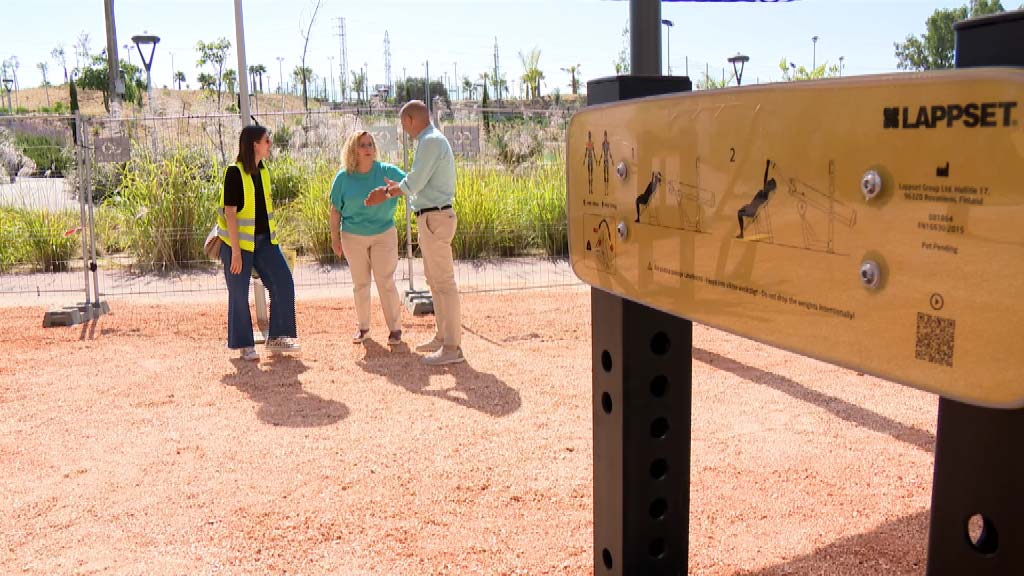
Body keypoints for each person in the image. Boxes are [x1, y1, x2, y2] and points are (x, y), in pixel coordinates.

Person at [365, 100, 463, 365]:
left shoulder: (430, 142)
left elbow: (415, 182)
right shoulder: (432, 141)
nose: (404, 130)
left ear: (409, 120)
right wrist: (401, 186)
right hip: (433, 216)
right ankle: (443, 338)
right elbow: (418, 181)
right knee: (436, 282)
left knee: (443, 283)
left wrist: (387, 192)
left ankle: (452, 346)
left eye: (403, 124)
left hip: (435, 216)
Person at [217, 124, 300, 361]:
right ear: (254, 144)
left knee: (284, 282)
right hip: (238, 245)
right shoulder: (234, 172)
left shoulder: (264, 171)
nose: (270, 144)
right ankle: (244, 345)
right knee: (238, 293)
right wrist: (234, 252)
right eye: (266, 140)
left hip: (266, 242)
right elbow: (230, 213)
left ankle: (278, 338)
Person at [329, 131, 407, 346]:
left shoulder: (386, 171)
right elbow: (335, 211)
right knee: (361, 284)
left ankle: (395, 330)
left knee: (385, 280)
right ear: (353, 149)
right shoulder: (343, 178)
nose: (368, 148)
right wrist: (335, 239)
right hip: (353, 236)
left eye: (370, 144)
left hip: (384, 233)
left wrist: (393, 190)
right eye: (362, 145)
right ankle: (363, 328)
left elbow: (411, 185)